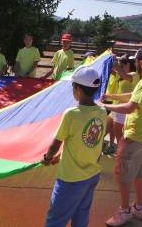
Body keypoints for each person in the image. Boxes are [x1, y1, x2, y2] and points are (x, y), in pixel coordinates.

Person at [99, 48, 142, 226]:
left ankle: (124, 211)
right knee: (138, 172)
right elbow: (133, 96)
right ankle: (139, 208)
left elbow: (130, 107)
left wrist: (105, 105)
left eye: (136, 61)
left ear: (140, 62)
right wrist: (110, 96)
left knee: (121, 173)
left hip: (134, 135)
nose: (134, 63)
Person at [41, 66, 107, 227]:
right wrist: (61, 156)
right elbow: (88, 143)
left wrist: (48, 158)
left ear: (77, 89)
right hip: (92, 174)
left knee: (55, 219)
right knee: (81, 214)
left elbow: (56, 144)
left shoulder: (71, 114)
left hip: (70, 179)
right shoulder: (102, 112)